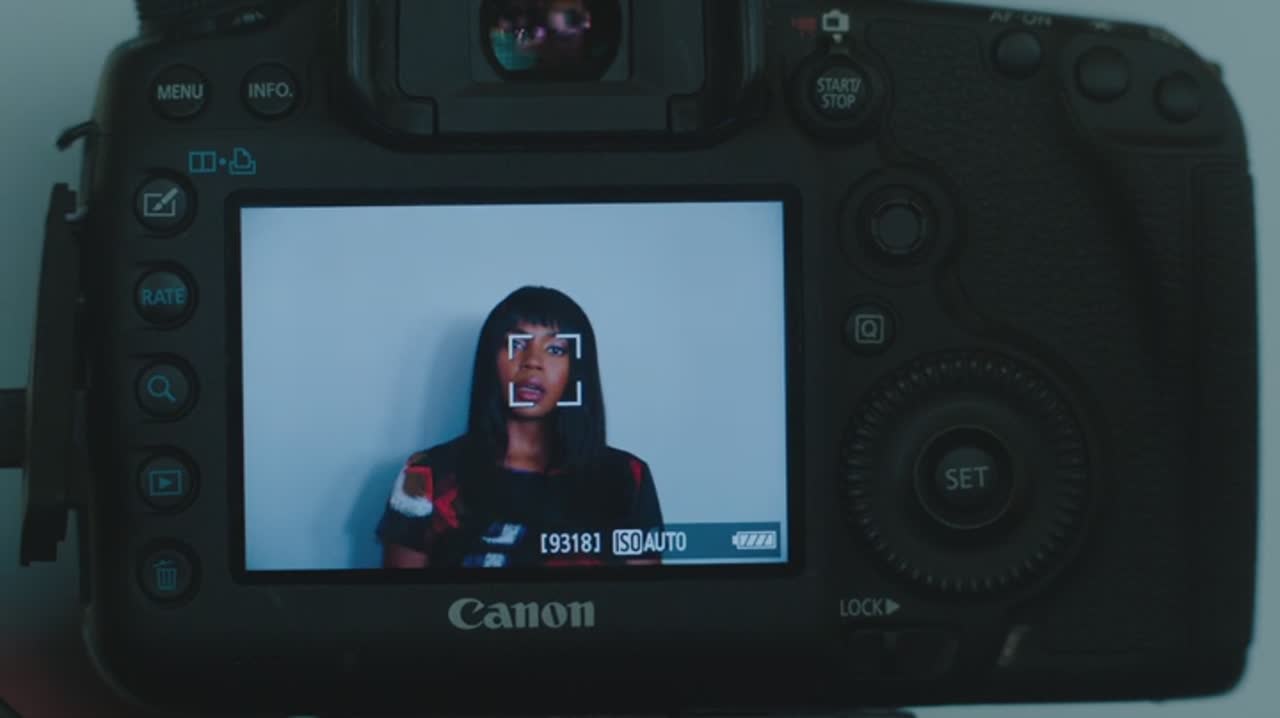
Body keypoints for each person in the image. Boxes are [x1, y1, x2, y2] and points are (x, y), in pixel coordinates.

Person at [376, 286, 663, 568]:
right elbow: (403, 598)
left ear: (576, 370)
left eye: (555, 349)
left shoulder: (628, 477)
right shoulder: (425, 475)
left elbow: (644, 597)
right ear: (491, 361)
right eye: (516, 344)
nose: (533, 362)